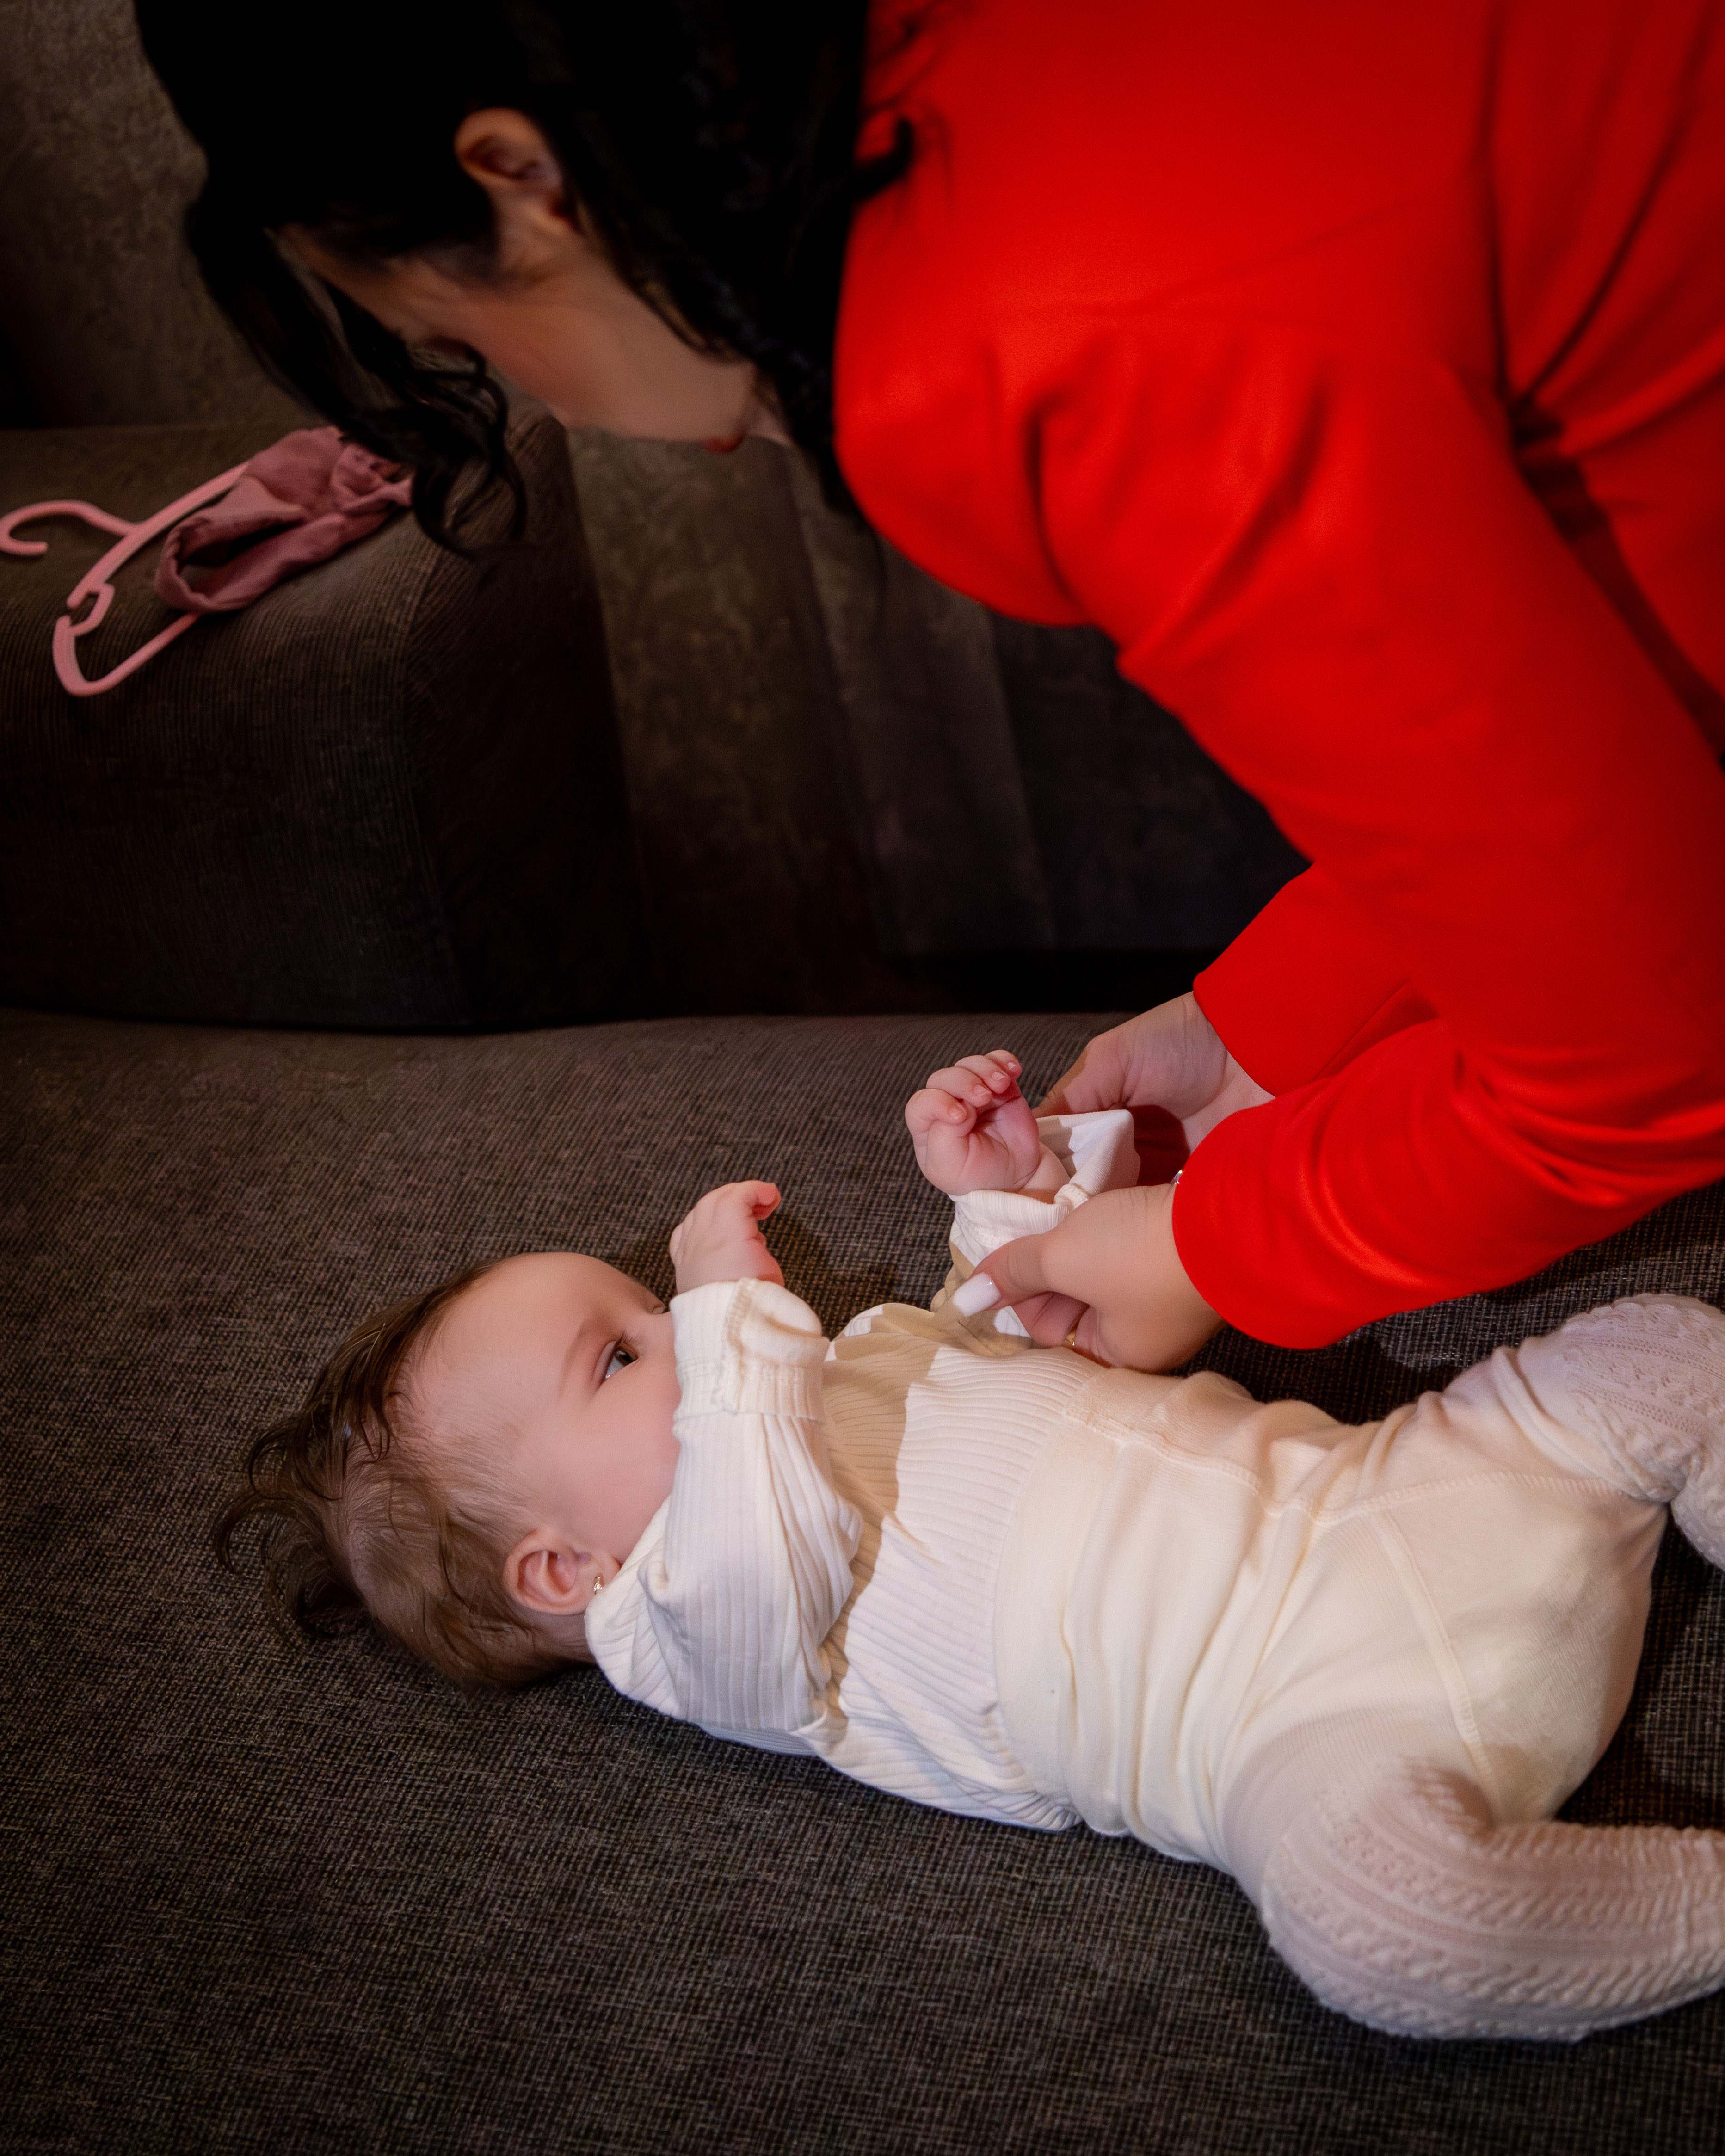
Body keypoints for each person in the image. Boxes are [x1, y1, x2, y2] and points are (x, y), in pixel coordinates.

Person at [137, 0, 1725, 1364]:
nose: (556, 397)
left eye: (460, 332)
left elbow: (1648, 1062)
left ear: (522, 178)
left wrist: (1218, 1250)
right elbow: (1559, 700)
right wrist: (1268, 1025)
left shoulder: (1050, 356)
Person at [221, 1046, 1725, 2041]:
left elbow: (1024, 1334)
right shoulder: (691, 1634)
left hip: (1404, 1492)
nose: (684, 1324)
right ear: (569, 1573)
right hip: (1312, 1731)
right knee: (1378, 1931)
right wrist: (727, 1319)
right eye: (620, 1354)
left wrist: (1011, 1192)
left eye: (653, 1306)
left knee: (1660, 1354)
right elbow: (762, 1551)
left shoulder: (844, 1362)